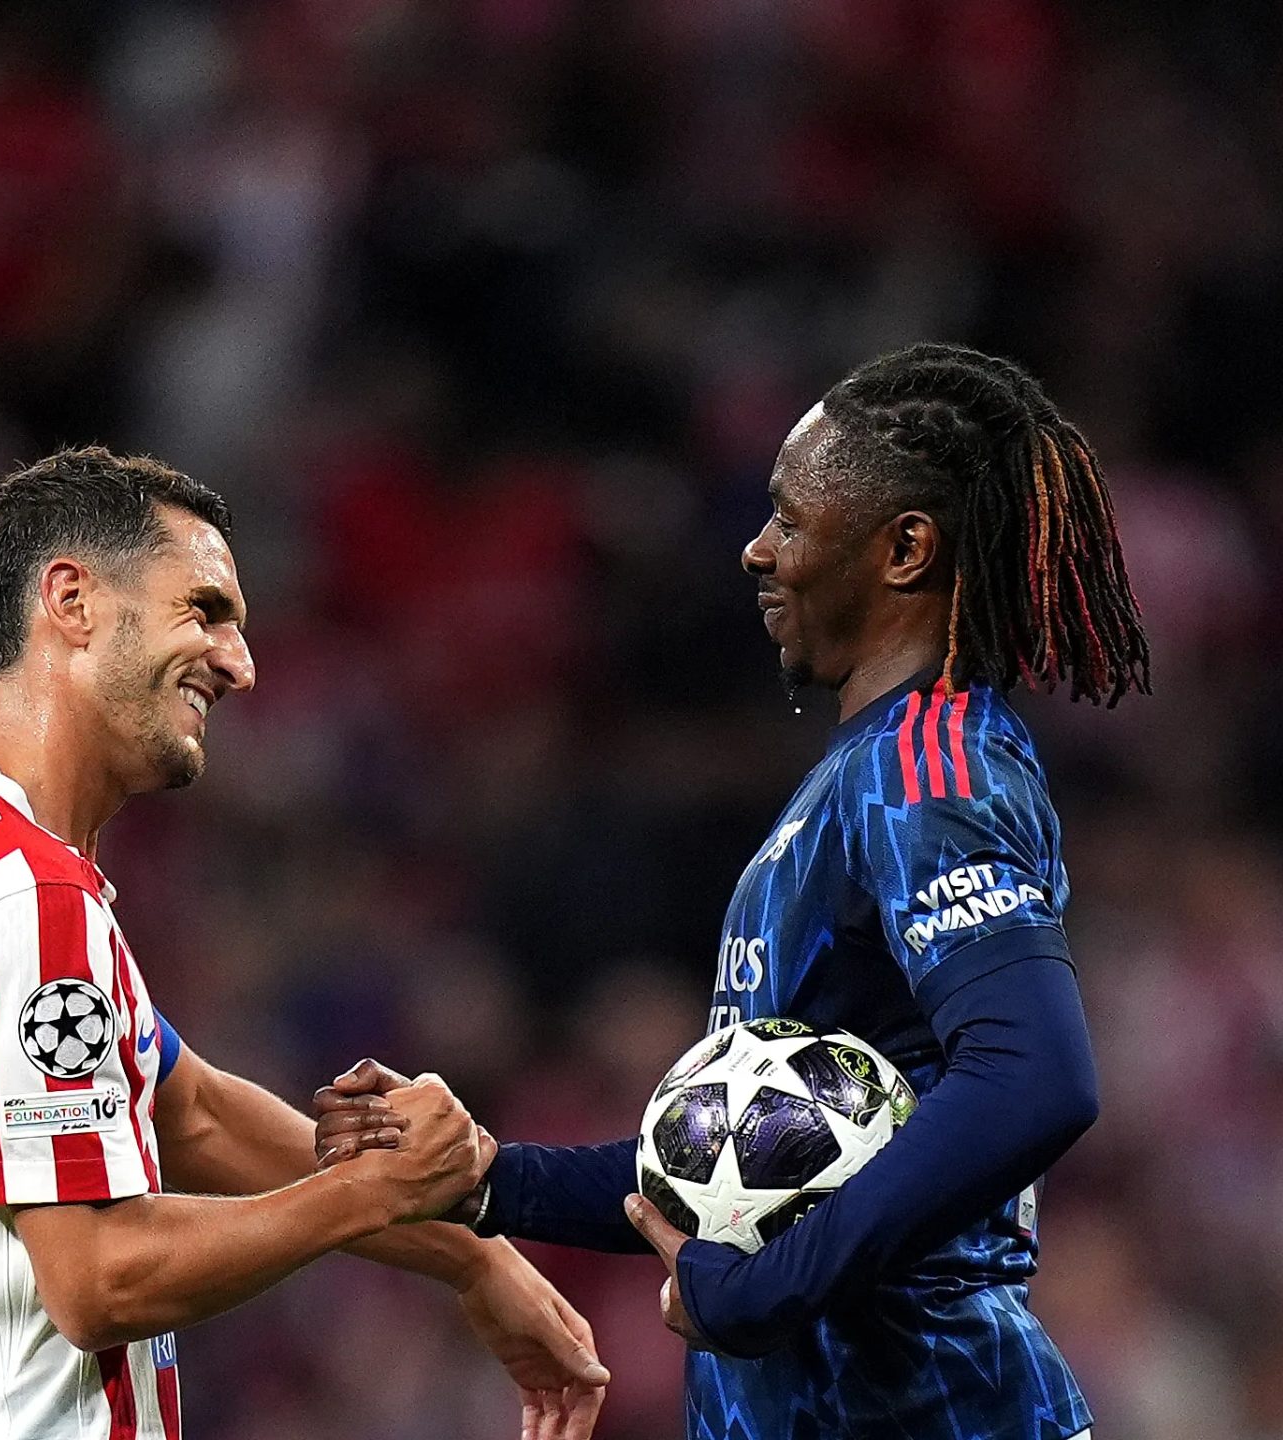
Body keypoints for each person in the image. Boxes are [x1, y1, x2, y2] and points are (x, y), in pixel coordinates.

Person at [319, 343, 1145, 1440]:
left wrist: (770, 1288)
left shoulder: (928, 769)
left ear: (904, 549)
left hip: (926, 1408)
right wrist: (488, 1179)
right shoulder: (857, 778)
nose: (756, 549)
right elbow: (749, 1168)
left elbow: (1035, 1074)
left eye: (791, 520)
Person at [0, 446, 609, 1440]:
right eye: (203, 611)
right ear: (71, 601)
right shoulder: (29, 899)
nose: (239, 665)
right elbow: (98, 1280)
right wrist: (366, 1195)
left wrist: (469, 1255)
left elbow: (187, 1111)